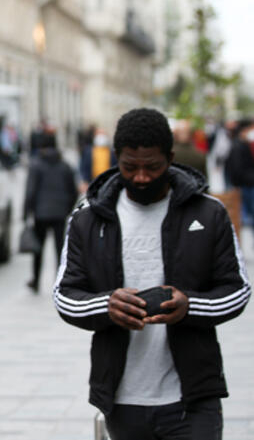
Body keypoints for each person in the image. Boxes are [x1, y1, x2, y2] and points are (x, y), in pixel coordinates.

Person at [54, 108, 250, 440]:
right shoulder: (87, 219)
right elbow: (64, 296)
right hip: (122, 399)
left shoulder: (209, 213)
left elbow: (237, 290)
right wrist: (107, 306)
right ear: (117, 158)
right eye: (130, 167)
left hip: (194, 398)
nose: (141, 176)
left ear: (170, 158)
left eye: (152, 167)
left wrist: (190, 306)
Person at [23, 132, 77, 292]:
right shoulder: (65, 165)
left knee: (37, 248)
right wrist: (67, 208)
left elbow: (30, 191)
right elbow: (72, 191)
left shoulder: (36, 164)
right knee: (60, 249)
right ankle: (60, 281)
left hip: (41, 213)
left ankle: (36, 280)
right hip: (60, 213)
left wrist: (26, 213)